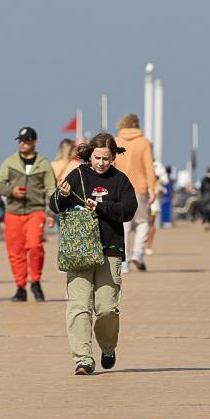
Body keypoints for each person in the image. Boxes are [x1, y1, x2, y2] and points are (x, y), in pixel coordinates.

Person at [49, 133, 138, 375]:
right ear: (90, 155)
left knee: (107, 307)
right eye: (97, 158)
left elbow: (129, 209)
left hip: (110, 249)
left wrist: (101, 207)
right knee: (79, 306)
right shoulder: (77, 174)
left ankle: (108, 347)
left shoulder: (120, 180)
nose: (101, 163)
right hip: (79, 250)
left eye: (106, 158)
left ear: (113, 157)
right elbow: (54, 205)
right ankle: (83, 359)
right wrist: (63, 194)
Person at [0, 126, 56, 302]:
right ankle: (20, 287)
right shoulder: (10, 162)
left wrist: (51, 213)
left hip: (35, 210)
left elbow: (52, 189)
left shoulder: (43, 164)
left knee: (35, 245)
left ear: (34, 142)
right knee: (15, 251)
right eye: (20, 140)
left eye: (26, 140)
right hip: (13, 212)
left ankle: (35, 281)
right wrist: (11, 191)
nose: (22, 143)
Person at [113, 114, 156, 272]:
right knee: (143, 221)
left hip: (120, 188)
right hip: (140, 188)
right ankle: (138, 253)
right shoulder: (144, 143)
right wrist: (152, 188)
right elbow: (149, 166)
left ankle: (123, 262)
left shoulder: (117, 142)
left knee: (123, 225)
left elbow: (112, 164)